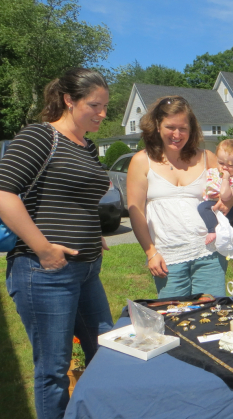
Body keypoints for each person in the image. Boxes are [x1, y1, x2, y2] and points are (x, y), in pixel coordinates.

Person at [0, 68, 114, 419]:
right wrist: (44, 248)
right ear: (69, 99)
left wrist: (92, 232)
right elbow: (4, 193)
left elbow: (75, 196)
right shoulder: (39, 136)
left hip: (87, 270)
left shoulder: (88, 146)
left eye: (106, 106)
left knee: (107, 349)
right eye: (95, 105)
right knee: (53, 368)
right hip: (44, 272)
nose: (102, 113)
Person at [127, 96, 233, 298]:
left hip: (210, 253)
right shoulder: (141, 161)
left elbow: (229, 196)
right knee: (174, 320)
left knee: (212, 317)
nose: (177, 134)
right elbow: (136, 212)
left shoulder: (207, 158)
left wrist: (227, 201)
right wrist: (151, 253)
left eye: (183, 128)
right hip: (168, 258)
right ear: (157, 125)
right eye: (170, 127)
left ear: (191, 129)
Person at [198, 139, 233, 244]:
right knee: (203, 207)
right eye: (221, 163)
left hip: (225, 208)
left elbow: (225, 196)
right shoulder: (212, 171)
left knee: (202, 208)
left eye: (230, 165)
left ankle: (212, 231)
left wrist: (225, 179)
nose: (224, 167)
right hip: (211, 202)